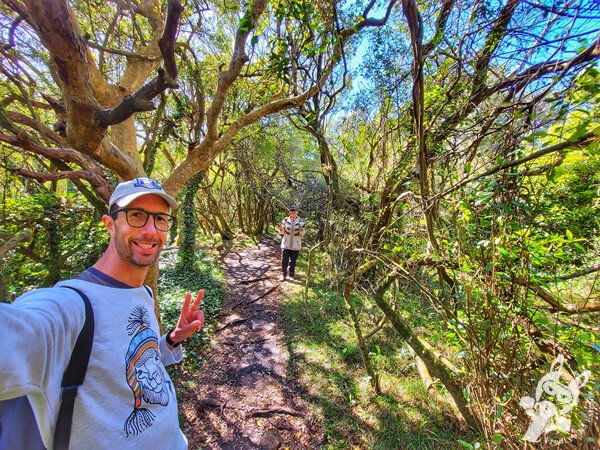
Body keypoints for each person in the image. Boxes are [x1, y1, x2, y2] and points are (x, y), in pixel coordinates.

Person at [0, 177, 204, 449]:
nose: (150, 230)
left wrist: (173, 338)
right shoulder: (68, 307)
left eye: (160, 219)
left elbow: (133, 366)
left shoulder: (144, 293)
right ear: (110, 224)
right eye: (136, 216)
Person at [277, 204, 305, 281]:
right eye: (292, 210)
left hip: (296, 245)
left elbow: (302, 234)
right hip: (286, 244)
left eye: (294, 211)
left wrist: (301, 229)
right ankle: (283, 274)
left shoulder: (301, 221)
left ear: (297, 212)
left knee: (293, 261)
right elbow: (282, 233)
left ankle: (291, 275)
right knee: (284, 260)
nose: (293, 212)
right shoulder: (285, 220)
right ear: (289, 212)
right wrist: (280, 229)